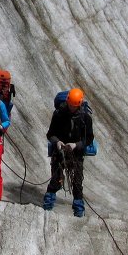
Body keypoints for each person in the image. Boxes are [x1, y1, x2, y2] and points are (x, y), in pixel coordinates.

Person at [43, 88, 94, 217]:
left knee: (77, 182)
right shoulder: (59, 113)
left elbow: (89, 138)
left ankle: (78, 210)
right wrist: (57, 142)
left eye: (74, 106)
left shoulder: (85, 117)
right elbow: (50, 134)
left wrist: (76, 145)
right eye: (70, 105)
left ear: (78, 104)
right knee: (56, 179)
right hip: (59, 152)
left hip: (76, 154)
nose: (71, 107)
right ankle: (47, 206)